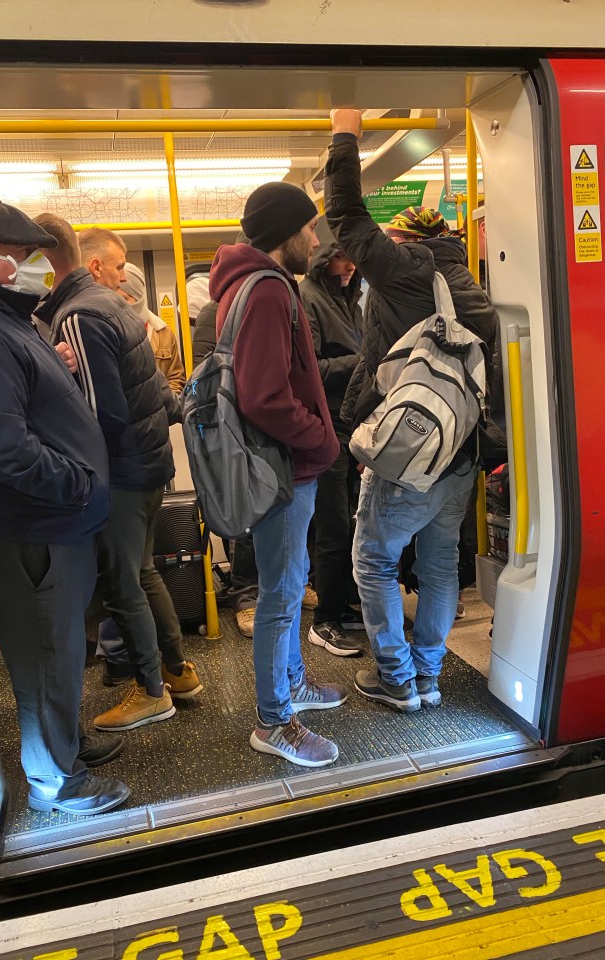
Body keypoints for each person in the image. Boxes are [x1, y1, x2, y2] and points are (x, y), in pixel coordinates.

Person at [0, 200, 129, 815]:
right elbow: (4, 450)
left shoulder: (8, 325)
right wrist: (79, 485)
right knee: (43, 655)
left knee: (62, 648)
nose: (36, 269)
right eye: (21, 258)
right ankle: (53, 782)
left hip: (51, 525)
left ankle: (63, 745)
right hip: (30, 534)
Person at [326, 109, 498, 713]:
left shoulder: (407, 272)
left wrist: (344, 133)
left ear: (404, 242)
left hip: (407, 452)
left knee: (371, 559)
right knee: (440, 563)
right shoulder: (470, 287)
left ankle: (396, 677)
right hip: (460, 456)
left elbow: (345, 218)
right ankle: (425, 674)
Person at [35, 221, 202, 733]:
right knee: (143, 572)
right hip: (148, 464)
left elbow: (94, 410)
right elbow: (148, 390)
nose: (125, 272)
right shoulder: (117, 308)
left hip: (120, 471)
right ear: (92, 264)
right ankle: (177, 673)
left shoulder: (78, 316)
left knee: (121, 582)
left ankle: (151, 692)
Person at [209, 181, 345, 767]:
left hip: (275, 464)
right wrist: (319, 435)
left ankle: (291, 682)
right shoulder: (267, 290)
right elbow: (264, 396)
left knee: (286, 588)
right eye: (309, 229)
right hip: (282, 467)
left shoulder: (243, 284)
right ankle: (274, 720)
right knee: (281, 596)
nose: (314, 241)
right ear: (286, 233)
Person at [299, 220, 366, 657]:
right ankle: (325, 619)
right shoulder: (309, 299)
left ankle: (343, 603)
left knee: (355, 521)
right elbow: (313, 371)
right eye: (342, 257)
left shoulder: (350, 302)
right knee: (332, 525)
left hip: (354, 424)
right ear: (325, 257)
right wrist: (362, 361)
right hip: (326, 426)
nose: (349, 266)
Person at [119, 261, 186, 395]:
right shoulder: (108, 330)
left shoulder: (163, 333)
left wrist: (164, 405)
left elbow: (175, 378)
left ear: (138, 298)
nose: (119, 305)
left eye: (124, 299)